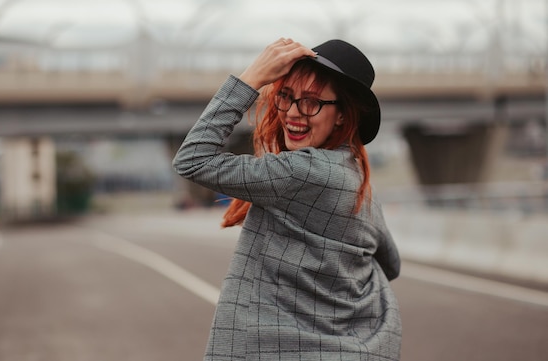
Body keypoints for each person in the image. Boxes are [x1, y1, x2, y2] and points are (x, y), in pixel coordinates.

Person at [172, 38, 402, 361]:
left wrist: (251, 78)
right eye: (286, 97)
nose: (293, 113)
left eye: (311, 102)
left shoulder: (303, 172)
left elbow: (192, 159)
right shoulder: (358, 178)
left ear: (342, 115)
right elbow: (390, 262)